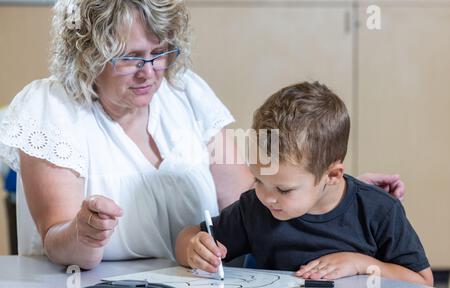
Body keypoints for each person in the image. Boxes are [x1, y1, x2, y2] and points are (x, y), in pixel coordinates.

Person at [0, 0, 403, 270]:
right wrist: (85, 233)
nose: (150, 71)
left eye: (160, 53)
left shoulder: (184, 90)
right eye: (131, 58)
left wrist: (334, 193)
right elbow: (59, 242)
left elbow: (257, 200)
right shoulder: (51, 107)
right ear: (88, 54)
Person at [175, 81, 433, 286]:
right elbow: (186, 238)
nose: (266, 196)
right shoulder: (254, 208)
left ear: (332, 175)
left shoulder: (378, 210)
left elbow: (423, 281)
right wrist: (193, 249)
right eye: (258, 180)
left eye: (284, 189)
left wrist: (360, 264)